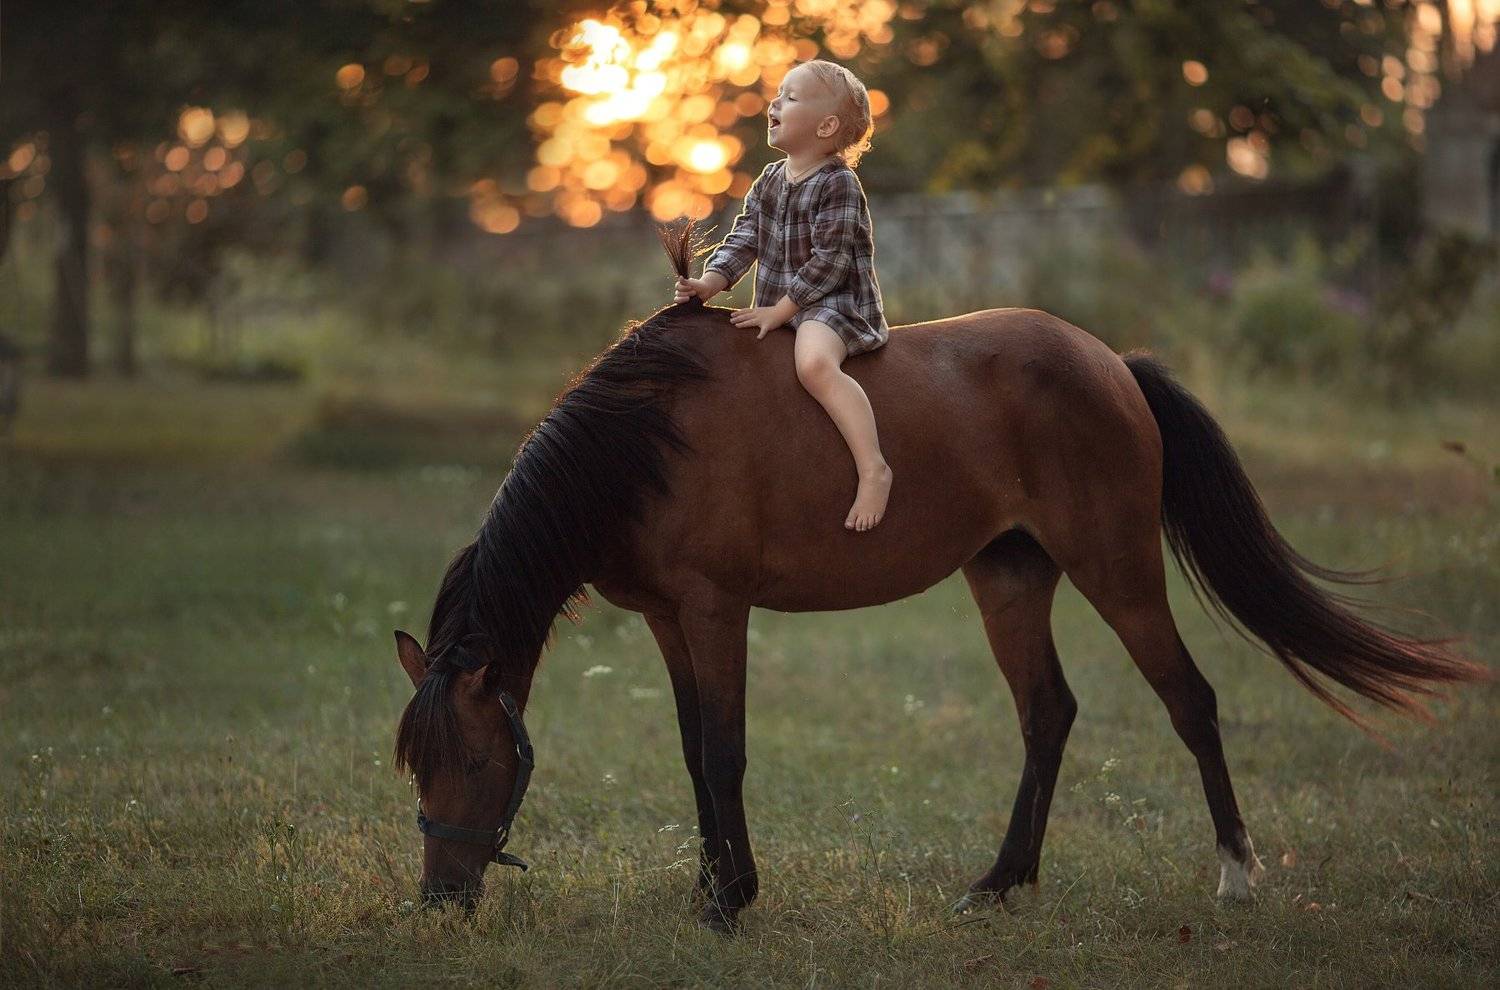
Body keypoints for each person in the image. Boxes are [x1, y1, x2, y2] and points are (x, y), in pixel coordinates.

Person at [674, 59, 892, 532]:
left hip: (832, 305)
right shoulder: (771, 178)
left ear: (826, 126)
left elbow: (831, 261)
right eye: (778, 93)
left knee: (813, 365)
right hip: (781, 303)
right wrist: (710, 283)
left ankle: (873, 467)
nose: (774, 103)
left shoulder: (839, 183)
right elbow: (745, 238)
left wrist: (782, 310)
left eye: (790, 98)